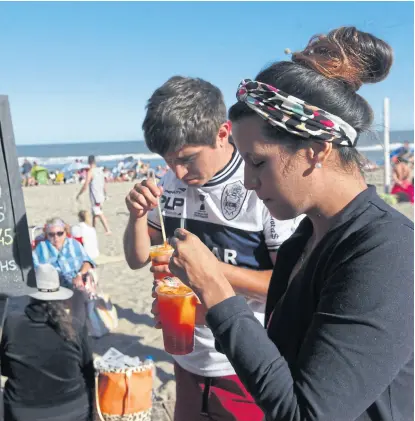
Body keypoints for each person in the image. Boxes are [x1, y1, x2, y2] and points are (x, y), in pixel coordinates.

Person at [165, 27, 414, 421]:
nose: (248, 181)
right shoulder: (307, 237)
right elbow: (283, 367)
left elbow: (305, 413)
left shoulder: (388, 251)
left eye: (258, 161)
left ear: (315, 151)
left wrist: (215, 288)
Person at [123, 76, 302, 421]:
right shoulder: (170, 182)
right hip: (186, 357)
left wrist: (208, 271)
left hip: (246, 362)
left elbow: (289, 286)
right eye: (167, 160)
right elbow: (137, 258)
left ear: (222, 133)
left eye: (187, 158)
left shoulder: (259, 186)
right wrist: (135, 216)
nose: (177, 171)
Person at [0, 263, 95, 421]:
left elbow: (5, 368)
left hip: (23, 413)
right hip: (73, 410)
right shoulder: (75, 325)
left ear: (31, 295)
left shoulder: (13, 322)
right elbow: (89, 373)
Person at [32, 217, 96, 324]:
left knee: (78, 294)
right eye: (51, 234)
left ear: (65, 232)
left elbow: (87, 262)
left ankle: (78, 328)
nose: (56, 237)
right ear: (46, 235)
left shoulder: (74, 244)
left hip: (75, 281)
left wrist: (79, 275)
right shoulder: (41, 248)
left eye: (59, 233)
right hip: (52, 285)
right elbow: (34, 270)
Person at [76, 155, 111, 235]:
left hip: (96, 196)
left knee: (99, 213)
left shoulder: (90, 172)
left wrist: (79, 194)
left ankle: (107, 229)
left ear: (88, 162)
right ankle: (93, 229)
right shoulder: (100, 171)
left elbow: (85, 185)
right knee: (95, 213)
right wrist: (105, 194)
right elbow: (104, 184)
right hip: (101, 195)